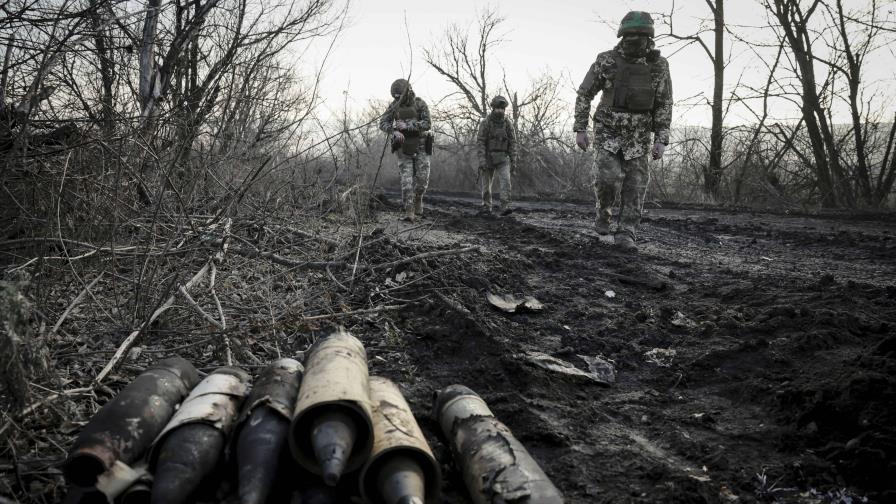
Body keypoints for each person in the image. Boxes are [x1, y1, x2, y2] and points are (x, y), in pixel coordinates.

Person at [573, 11, 673, 251]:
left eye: (640, 35)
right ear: (622, 35)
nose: (634, 39)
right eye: (630, 35)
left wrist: (661, 139)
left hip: (639, 136)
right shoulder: (606, 60)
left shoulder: (659, 65)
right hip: (608, 132)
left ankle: (627, 232)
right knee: (607, 180)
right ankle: (603, 214)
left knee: (636, 186)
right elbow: (585, 93)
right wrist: (580, 128)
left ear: (649, 37)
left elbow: (664, 103)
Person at [379, 78, 433, 222]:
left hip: (421, 145)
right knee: (406, 181)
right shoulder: (394, 106)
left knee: (422, 181)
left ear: (407, 92)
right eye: (395, 97)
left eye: (399, 96)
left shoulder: (420, 104)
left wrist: (409, 126)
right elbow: (382, 122)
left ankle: (418, 199)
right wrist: (393, 131)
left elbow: (427, 124)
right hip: (403, 146)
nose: (397, 100)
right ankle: (409, 211)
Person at [475, 95, 516, 216]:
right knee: (486, 185)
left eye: (502, 108)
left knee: (506, 182)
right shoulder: (486, 122)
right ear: (493, 108)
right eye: (498, 108)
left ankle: (505, 206)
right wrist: (482, 160)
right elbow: (480, 141)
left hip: (503, 157)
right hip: (488, 157)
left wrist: (514, 160)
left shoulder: (508, 123)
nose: (500, 111)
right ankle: (486, 206)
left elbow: (513, 143)